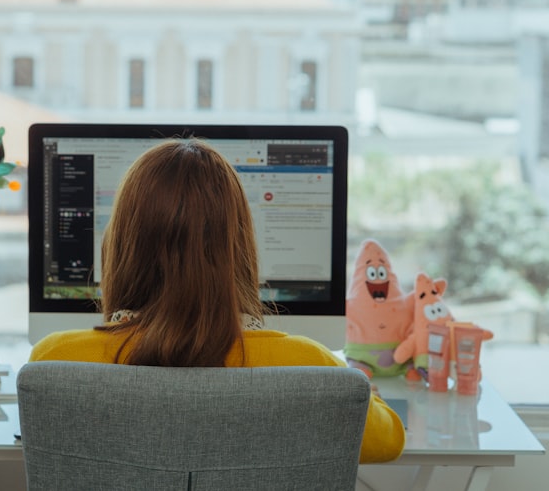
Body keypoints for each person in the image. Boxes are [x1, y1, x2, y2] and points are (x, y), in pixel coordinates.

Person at [30, 138, 405, 463]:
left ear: (119, 247)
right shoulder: (314, 369)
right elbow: (388, 443)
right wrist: (358, 386)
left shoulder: (55, 362)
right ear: (239, 249)